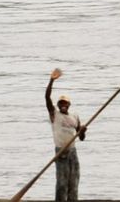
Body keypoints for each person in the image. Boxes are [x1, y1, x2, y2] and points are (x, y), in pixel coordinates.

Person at [46, 68, 87, 202]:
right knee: (62, 183)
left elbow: (81, 138)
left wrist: (83, 131)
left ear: (69, 105)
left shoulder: (74, 116)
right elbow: (47, 97)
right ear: (58, 105)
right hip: (61, 152)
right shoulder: (54, 114)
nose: (63, 105)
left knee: (73, 182)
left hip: (72, 152)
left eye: (65, 103)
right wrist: (51, 81)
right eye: (61, 103)